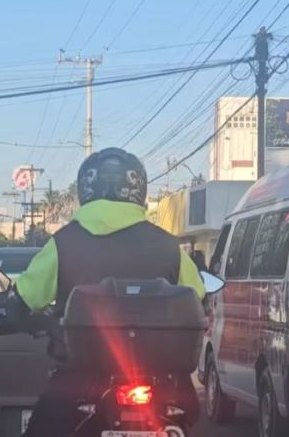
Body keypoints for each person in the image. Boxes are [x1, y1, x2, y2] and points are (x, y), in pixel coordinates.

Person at [12, 147, 206, 437]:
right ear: (138, 189)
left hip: (80, 380)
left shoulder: (63, 243)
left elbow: (25, 298)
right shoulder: (168, 246)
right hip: (163, 381)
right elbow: (198, 296)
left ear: (86, 188)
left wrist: (17, 316)